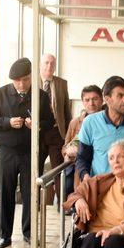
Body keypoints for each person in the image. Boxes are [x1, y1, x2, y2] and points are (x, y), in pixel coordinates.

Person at [0, 58, 50, 248]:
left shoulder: (41, 96)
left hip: (31, 152)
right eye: (17, 81)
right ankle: (4, 235)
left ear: (31, 77)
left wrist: (36, 125)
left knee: (31, 193)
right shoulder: (0, 94)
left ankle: (29, 232)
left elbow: (49, 122)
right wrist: (7, 122)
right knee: (5, 192)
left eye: (26, 79)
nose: (22, 84)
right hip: (7, 151)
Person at [76, 76, 124, 183]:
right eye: (120, 96)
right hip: (100, 187)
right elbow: (82, 158)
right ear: (107, 99)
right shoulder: (90, 122)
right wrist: (86, 177)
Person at [39, 54, 72, 199]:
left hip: (56, 132)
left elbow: (66, 110)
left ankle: (62, 203)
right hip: (38, 133)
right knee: (36, 169)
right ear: (40, 64)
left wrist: (68, 135)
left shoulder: (61, 84)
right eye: (46, 63)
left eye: (52, 63)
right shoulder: (32, 83)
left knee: (58, 169)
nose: (49, 66)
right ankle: (35, 203)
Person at [61, 85, 104, 197]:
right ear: (83, 102)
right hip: (79, 170)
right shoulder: (75, 122)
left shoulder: (108, 122)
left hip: (100, 170)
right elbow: (65, 146)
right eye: (87, 100)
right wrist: (68, 152)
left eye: (95, 99)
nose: (91, 103)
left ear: (102, 100)